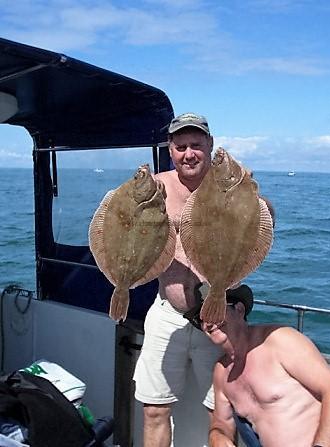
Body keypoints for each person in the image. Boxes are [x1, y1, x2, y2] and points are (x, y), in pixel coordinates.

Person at [133, 112, 223, 447]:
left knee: (222, 412)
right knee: (154, 409)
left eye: (196, 145)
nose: (189, 153)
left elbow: (265, 215)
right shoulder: (155, 187)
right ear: (170, 150)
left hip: (217, 317)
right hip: (166, 313)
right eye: (181, 146)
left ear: (209, 145)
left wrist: (261, 206)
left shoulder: (231, 185)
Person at [195, 284, 330, 447]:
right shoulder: (221, 372)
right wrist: (217, 434)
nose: (208, 322)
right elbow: (222, 423)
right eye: (201, 318)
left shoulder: (279, 340)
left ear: (239, 310)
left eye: (215, 310)